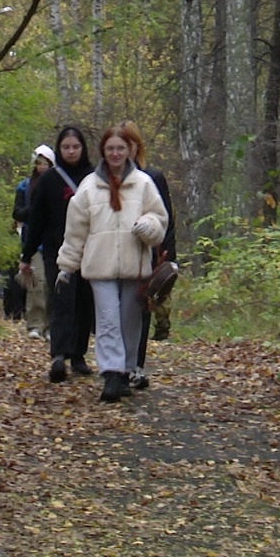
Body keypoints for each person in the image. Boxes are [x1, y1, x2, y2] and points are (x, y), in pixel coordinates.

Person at [58, 125, 169, 402]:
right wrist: (66, 266)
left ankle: (127, 370)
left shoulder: (143, 183)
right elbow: (75, 230)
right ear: (103, 152)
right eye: (110, 149)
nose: (116, 153)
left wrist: (148, 225)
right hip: (100, 266)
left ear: (129, 150)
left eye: (120, 148)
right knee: (108, 320)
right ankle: (111, 373)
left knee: (129, 321)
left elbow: (160, 219)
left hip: (134, 266)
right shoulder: (88, 187)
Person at [20, 127, 97, 382]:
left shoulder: (94, 177)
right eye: (66, 147)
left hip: (89, 249)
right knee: (62, 298)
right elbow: (37, 219)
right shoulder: (49, 180)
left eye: (75, 147)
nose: (71, 151)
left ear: (83, 148)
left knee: (84, 301)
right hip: (57, 248)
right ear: (59, 150)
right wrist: (27, 254)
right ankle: (58, 355)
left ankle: (78, 354)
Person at [119, 120, 176, 390]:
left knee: (141, 309)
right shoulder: (106, 179)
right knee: (115, 311)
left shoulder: (153, 177)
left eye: (128, 144)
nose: (123, 151)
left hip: (149, 252)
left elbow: (167, 219)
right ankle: (117, 365)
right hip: (114, 256)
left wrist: (169, 255)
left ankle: (136, 366)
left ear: (136, 146)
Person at [14, 145, 55, 339]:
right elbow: (17, 213)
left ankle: (49, 326)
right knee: (35, 282)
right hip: (34, 241)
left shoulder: (56, 185)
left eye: (46, 163)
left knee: (50, 283)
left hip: (54, 241)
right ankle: (35, 324)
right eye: (39, 163)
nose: (42, 167)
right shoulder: (24, 186)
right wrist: (34, 210)